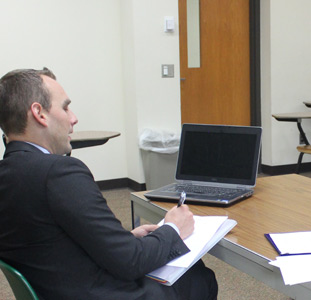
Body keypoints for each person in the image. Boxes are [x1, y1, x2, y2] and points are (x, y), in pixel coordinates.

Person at [0, 68, 218, 299]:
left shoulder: (8, 173)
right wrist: (173, 228)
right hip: (101, 292)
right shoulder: (59, 172)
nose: (73, 118)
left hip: (57, 287)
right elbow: (131, 262)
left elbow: (49, 241)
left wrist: (123, 239)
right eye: (65, 107)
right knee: (198, 276)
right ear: (39, 113)